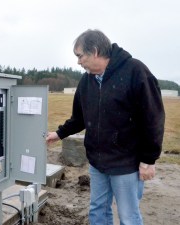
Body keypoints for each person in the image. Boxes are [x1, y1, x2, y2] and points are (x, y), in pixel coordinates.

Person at [46, 29, 165, 225]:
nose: (78, 62)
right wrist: (59, 134)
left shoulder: (135, 72)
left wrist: (148, 160)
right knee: (97, 211)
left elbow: (153, 119)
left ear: (94, 51)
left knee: (128, 216)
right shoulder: (86, 81)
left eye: (80, 55)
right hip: (97, 162)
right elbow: (79, 118)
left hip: (126, 163)